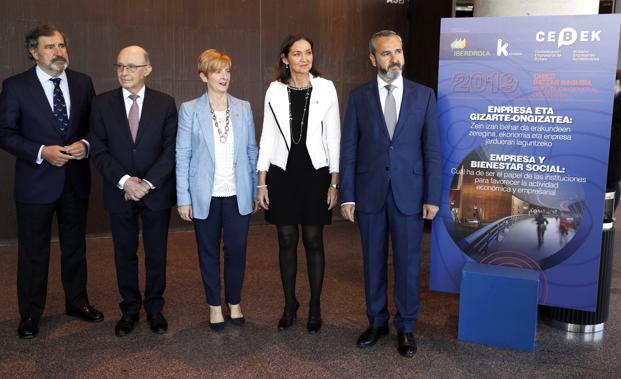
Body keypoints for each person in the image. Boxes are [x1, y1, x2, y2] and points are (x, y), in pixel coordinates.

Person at [340, 30, 441, 357]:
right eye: (386, 53)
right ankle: (377, 321)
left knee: (409, 263)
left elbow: (433, 151)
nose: (394, 58)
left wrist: (433, 196)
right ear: (373, 59)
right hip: (369, 194)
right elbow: (349, 150)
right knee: (373, 261)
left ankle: (407, 327)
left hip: (410, 194)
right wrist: (347, 195)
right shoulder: (358, 98)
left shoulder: (424, 96)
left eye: (398, 51)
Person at [0, 24, 103, 339]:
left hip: (75, 180)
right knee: (33, 252)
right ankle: (30, 314)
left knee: (75, 247)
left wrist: (85, 146)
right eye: (50, 47)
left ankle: (77, 302)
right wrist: (41, 151)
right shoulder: (16, 86)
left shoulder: (83, 83)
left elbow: (96, 128)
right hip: (35, 183)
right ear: (33, 52)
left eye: (61, 45)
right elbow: (4, 133)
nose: (59, 52)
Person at [90, 45, 178, 337]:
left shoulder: (165, 104)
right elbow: (99, 150)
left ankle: (155, 308)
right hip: (119, 191)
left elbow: (171, 150)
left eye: (131, 66)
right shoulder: (101, 104)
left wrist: (147, 184)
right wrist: (126, 181)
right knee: (123, 253)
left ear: (147, 70)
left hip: (156, 192)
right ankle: (129, 309)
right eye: (119, 66)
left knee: (156, 253)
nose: (124, 72)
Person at [257, 33, 340, 334]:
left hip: (316, 173)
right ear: (285, 59)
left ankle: (315, 307)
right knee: (286, 240)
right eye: (297, 54)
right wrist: (262, 181)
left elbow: (334, 136)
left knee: (314, 240)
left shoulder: (326, 88)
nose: (304, 59)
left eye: (308, 53)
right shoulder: (274, 90)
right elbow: (267, 136)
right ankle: (290, 304)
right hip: (282, 173)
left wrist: (334, 182)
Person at [176, 49, 258, 331]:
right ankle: (214, 306)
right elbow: (182, 154)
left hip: (238, 193)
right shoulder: (189, 109)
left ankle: (234, 302)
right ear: (204, 76)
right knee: (208, 252)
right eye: (217, 72)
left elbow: (251, 150)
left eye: (227, 71)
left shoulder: (243, 107)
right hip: (204, 195)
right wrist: (183, 197)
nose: (224, 77)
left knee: (237, 251)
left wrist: (257, 187)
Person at [607, 69, 621, 211]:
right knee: (612, 182)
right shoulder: (618, 95)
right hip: (613, 148)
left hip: (615, 149)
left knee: (611, 183)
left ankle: (608, 216)